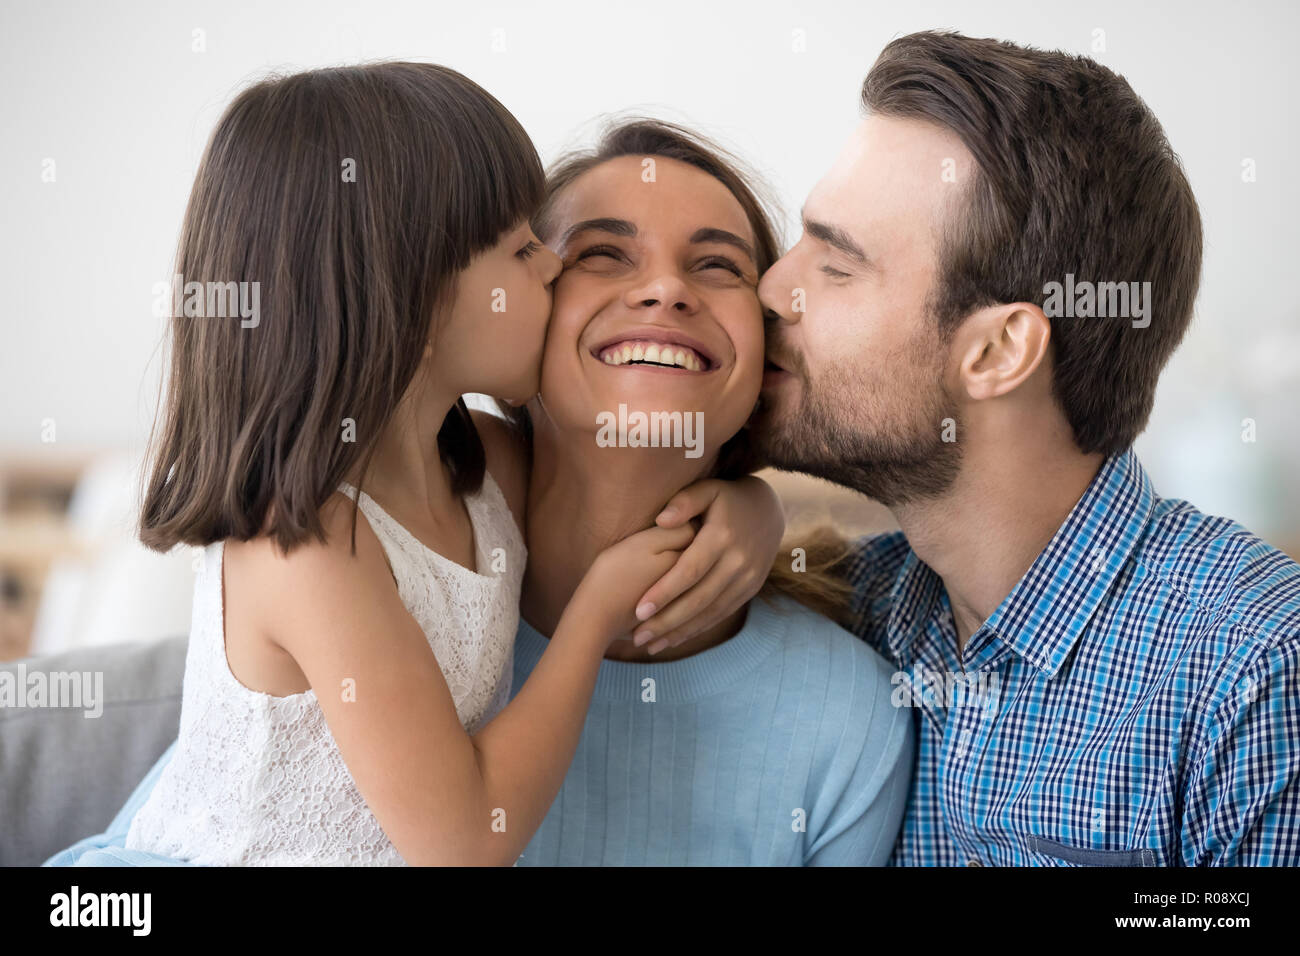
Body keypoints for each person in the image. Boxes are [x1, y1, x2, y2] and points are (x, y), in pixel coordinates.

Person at [49, 63, 781, 867]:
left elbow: (621, 480)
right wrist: (596, 614)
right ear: (415, 297)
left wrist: (754, 506)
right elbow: (466, 842)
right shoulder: (313, 550)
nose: (549, 267)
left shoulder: (479, 467)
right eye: (520, 248)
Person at [752, 30, 1300, 866]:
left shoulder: (1255, 675)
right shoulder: (845, 613)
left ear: (998, 353)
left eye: (836, 266)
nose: (771, 287)